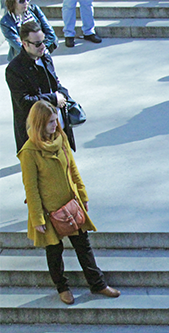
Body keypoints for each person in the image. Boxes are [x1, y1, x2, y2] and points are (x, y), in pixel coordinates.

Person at [19, 101, 120, 305]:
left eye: (56, 121)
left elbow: (73, 169)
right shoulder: (29, 152)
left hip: (70, 204)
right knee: (54, 251)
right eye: (50, 122)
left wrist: (82, 196)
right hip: (49, 211)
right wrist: (37, 217)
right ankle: (62, 288)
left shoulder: (61, 138)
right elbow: (31, 187)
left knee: (83, 245)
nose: (55, 126)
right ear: (39, 124)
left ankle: (98, 284)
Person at [6, 21, 75, 153]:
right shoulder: (14, 69)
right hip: (35, 132)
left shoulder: (45, 58)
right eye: (38, 44)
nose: (43, 46)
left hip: (57, 126)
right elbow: (24, 101)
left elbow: (56, 83)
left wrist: (64, 95)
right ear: (25, 44)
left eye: (43, 41)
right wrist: (54, 99)